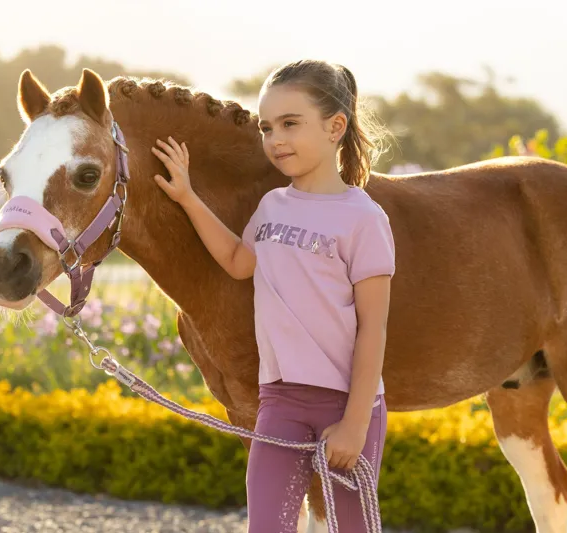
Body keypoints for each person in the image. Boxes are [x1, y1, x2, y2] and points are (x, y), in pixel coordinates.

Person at [150, 59, 395, 532]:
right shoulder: (272, 206)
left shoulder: (364, 219)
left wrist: (354, 425)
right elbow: (237, 261)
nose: (275, 139)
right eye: (266, 128)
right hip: (279, 403)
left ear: (335, 127)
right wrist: (187, 197)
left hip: (346, 404)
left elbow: (373, 329)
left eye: (289, 124)